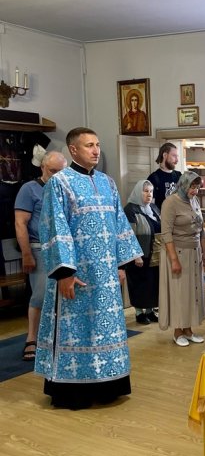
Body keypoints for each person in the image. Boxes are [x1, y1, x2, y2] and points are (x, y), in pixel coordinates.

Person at [35, 127, 142, 410]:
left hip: (106, 275)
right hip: (77, 274)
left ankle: (107, 387)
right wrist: (64, 274)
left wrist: (122, 264)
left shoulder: (107, 182)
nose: (96, 150)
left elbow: (118, 223)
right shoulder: (60, 183)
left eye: (97, 144)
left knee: (105, 329)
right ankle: (73, 392)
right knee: (77, 329)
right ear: (73, 150)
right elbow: (55, 228)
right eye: (88, 145)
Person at [14, 150, 67, 361]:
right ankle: (32, 338)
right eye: (53, 171)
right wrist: (26, 254)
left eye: (61, 171)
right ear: (43, 167)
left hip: (63, 247)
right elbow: (20, 223)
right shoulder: (29, 189)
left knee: (64, 294)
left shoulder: (65, 187)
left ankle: (58, 338)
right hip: (39, 247)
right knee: (41, 294)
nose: (57, 175)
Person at [159, 171, 205, 346]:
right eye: (192, 187)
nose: (195, 190)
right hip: (177, 252)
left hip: (194, 252)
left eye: (197, 187)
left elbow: (201, 229)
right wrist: (174, 260)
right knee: (179, 292)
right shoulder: (170, 203)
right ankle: (178, 331)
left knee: (193, 292)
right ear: (183, 185)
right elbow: (166, 233)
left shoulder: (194, 201)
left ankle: (188, 330)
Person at [123, 179, 161, 325]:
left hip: (154, 254)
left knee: (152, 283)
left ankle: (150, 311)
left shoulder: (153, 208)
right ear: (139, 192)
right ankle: (139, 313)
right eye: (145, 191)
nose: (149, 194)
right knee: (139, 284)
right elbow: (129, 235)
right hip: (139, 254)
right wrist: (136, 255)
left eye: (151, 191)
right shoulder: (130, 209)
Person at [148, 143, 182, 209]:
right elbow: (151, 206)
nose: (177, 160)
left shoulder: (179, 175)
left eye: (177, 156)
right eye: (174, 156)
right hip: (162, 215)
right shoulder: (153, 178)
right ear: (165, 155)